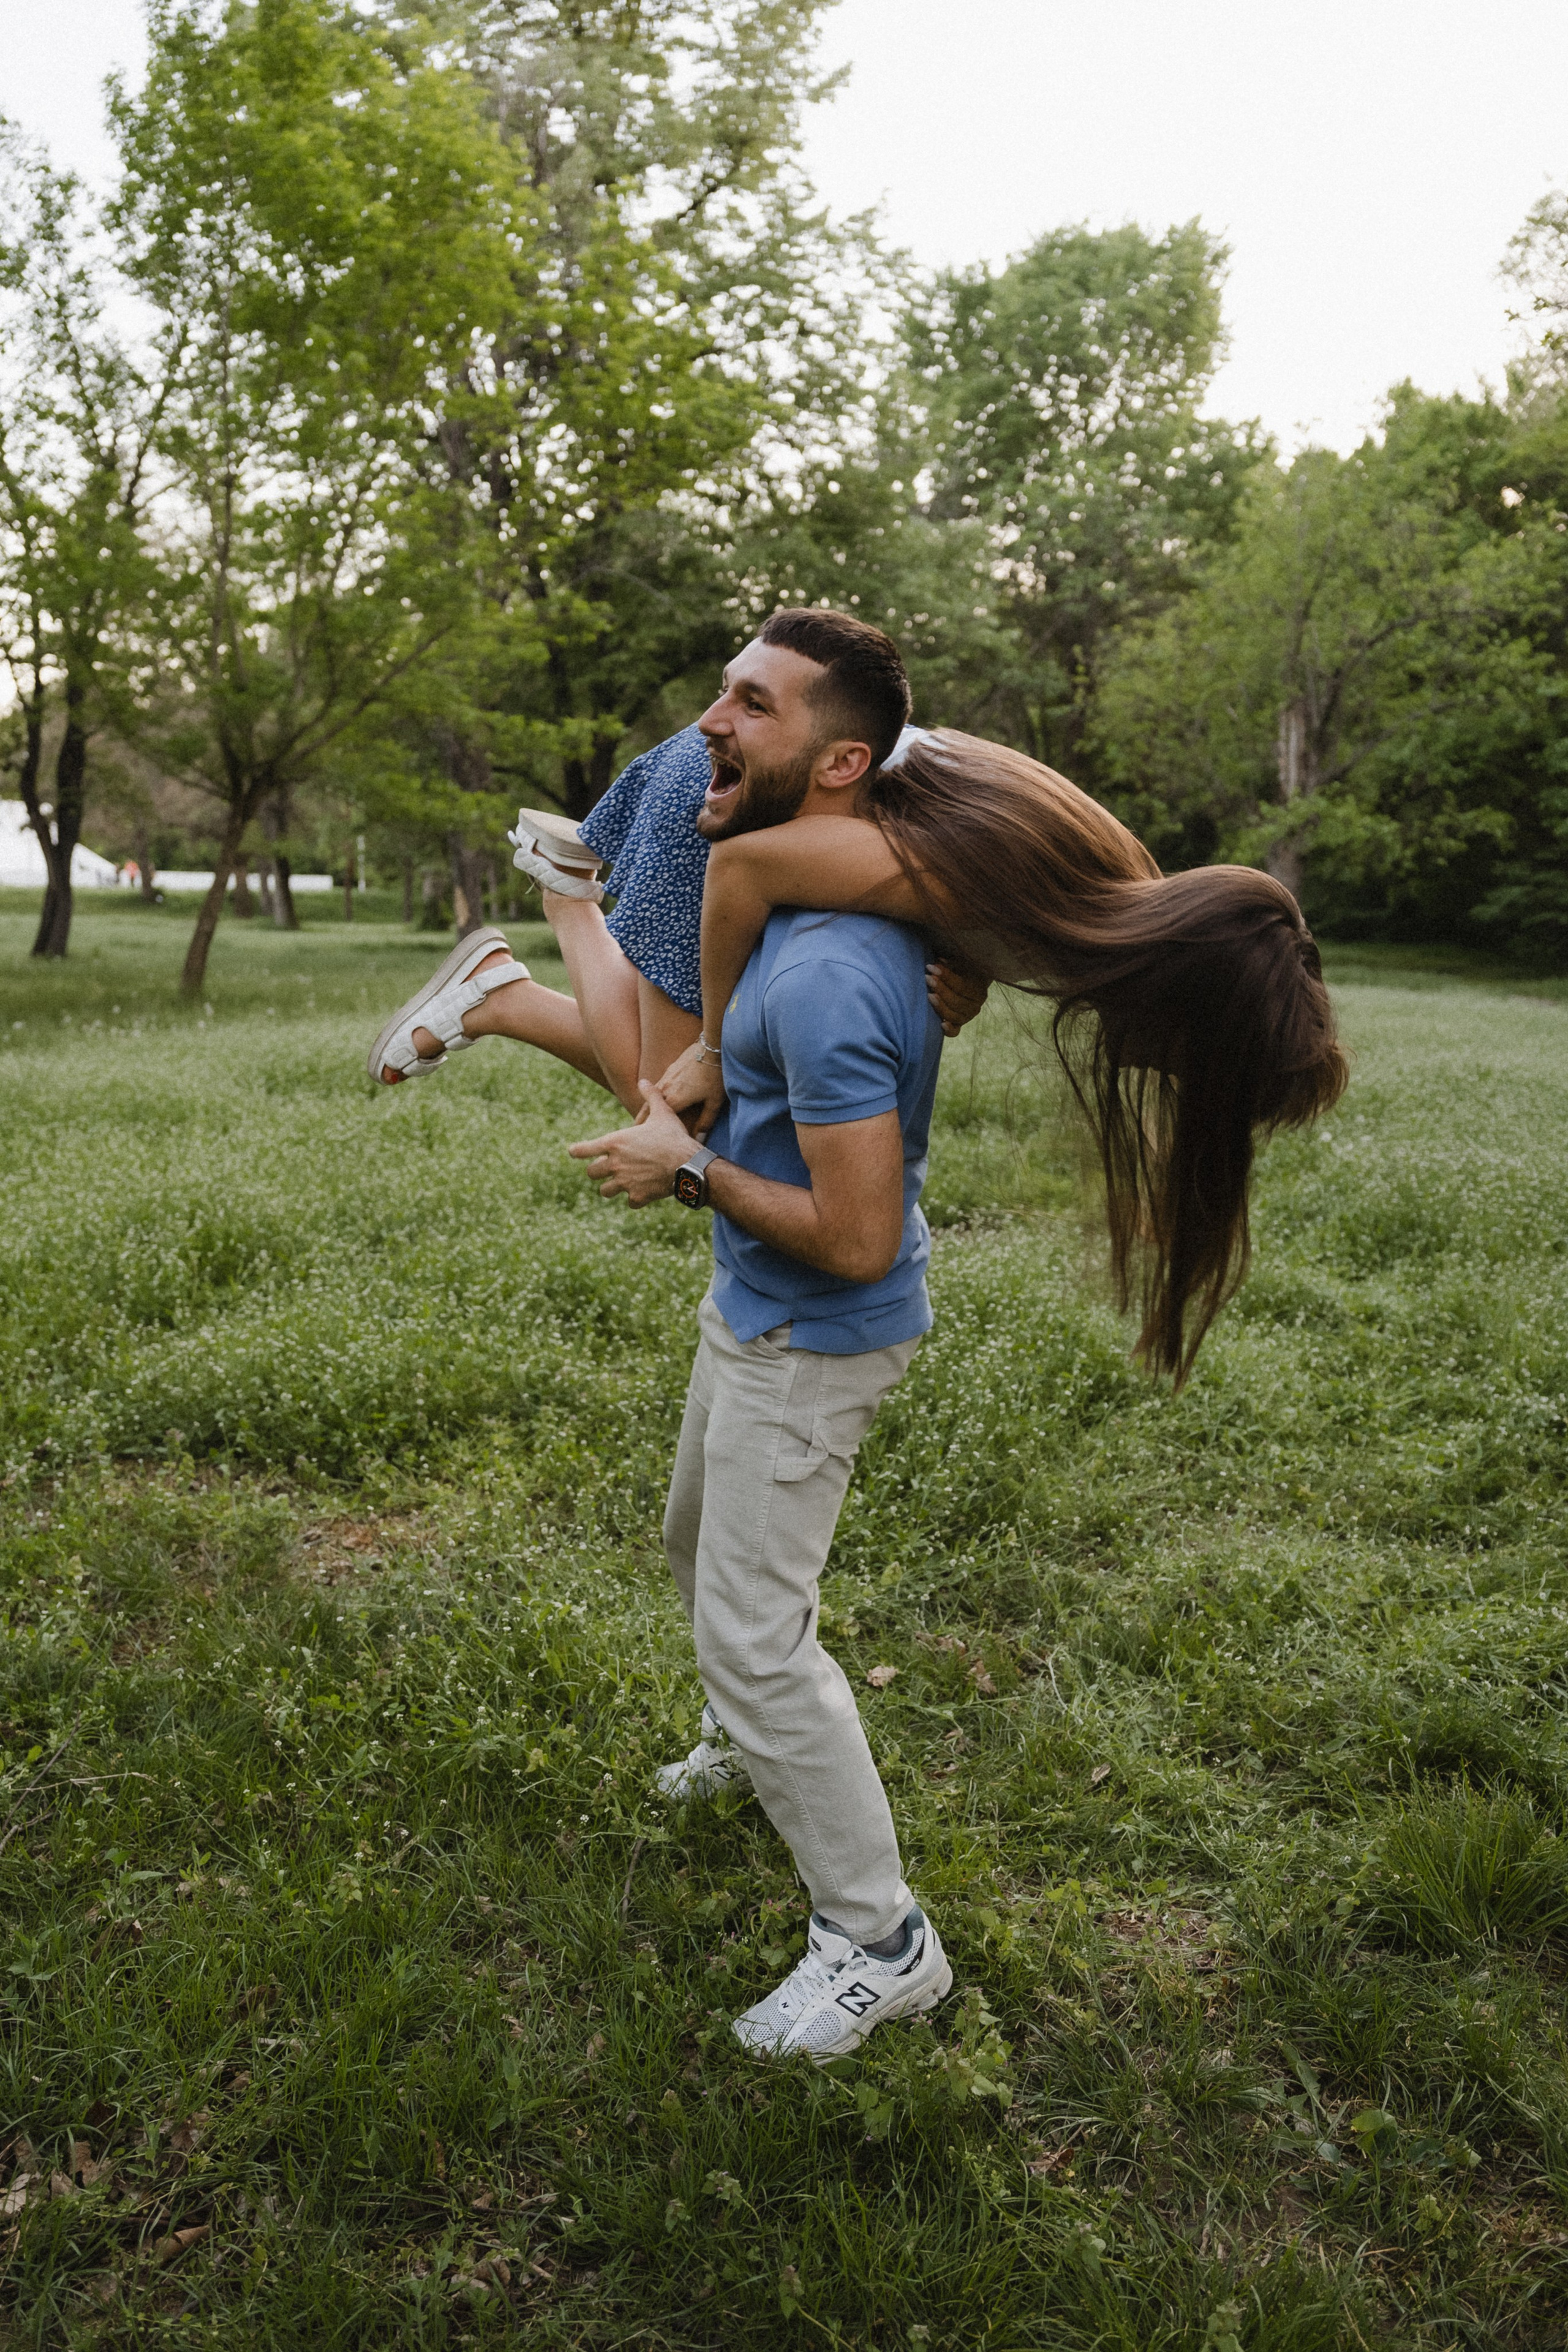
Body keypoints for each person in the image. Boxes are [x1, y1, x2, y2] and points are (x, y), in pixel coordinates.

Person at [566, 609, 957, 2059]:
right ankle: (749, 1742)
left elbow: (854, 1235)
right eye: (718, 690)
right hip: (754, 1307)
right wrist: (693, 1096)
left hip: (813, 1330)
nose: (708, 725)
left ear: (840, 761)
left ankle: (879, 1939)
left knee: (750, 1633)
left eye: (751, 705)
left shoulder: (828, 972)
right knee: (696, 1551)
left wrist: (683, 1171)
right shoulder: (788, 898)